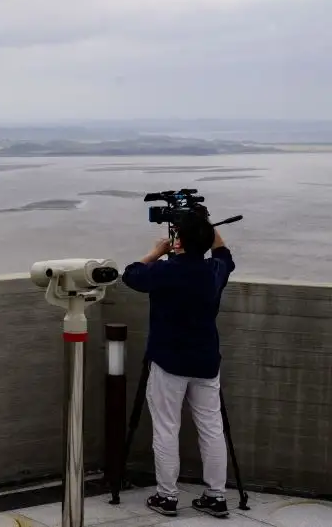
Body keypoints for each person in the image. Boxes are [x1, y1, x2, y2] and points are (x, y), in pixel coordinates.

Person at [121, 212, 235, 519]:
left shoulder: (165, 271)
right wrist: (206, 229)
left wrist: (157, 251)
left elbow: (131, 274)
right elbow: (225, 255)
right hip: (206, 361)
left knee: (167, 428)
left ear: (178, 240)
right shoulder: (214, 271)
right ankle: (215, 496)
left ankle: (168, 497)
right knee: (211, 428)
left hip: (168, 360)